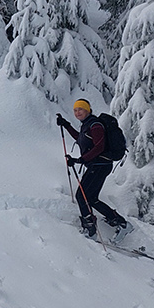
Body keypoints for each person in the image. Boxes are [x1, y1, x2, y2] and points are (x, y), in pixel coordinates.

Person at [57, 99, 128, 239]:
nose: (77, 112)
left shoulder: (95, 125)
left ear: (87, 110)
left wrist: (81, 160)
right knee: (91, 198)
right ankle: (120, 222)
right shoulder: (87, 125)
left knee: (81, 196)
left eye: (80, 109)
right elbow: (80, 138)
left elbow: (99, 147)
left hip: (100, 165)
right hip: (97, 165)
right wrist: (66, 125)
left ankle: (90, 229)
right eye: (75, 110)